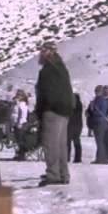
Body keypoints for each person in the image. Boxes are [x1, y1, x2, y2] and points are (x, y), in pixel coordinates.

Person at [34, 41, 74, 186]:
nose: (40, 54)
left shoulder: (48, 70)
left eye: (42, 51)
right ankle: (63, 174)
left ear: (48, 52)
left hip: (52, 111)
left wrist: (42, 109)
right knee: (61, 144)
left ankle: (53, 174)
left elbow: (46, 93)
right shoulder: (61, 67)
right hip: (64, 111)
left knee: (50, 144)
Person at [90, 86, 108, 164]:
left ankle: (101, 159)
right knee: (102, 141)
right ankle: (101, 158)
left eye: (97, 91)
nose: (96, 92)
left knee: (100, 142)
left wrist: (92, 108)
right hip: (103, 123)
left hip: (99, 122)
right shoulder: (104, 100)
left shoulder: (99, 100)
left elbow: (96, 112)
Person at [68, 93, 84, 164]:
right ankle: (78, 157)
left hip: (71, 125)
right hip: (78, 125)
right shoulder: (79, 105)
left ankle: (67, 157)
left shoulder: (73, 106)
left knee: (68, 142)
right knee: (76, 141)